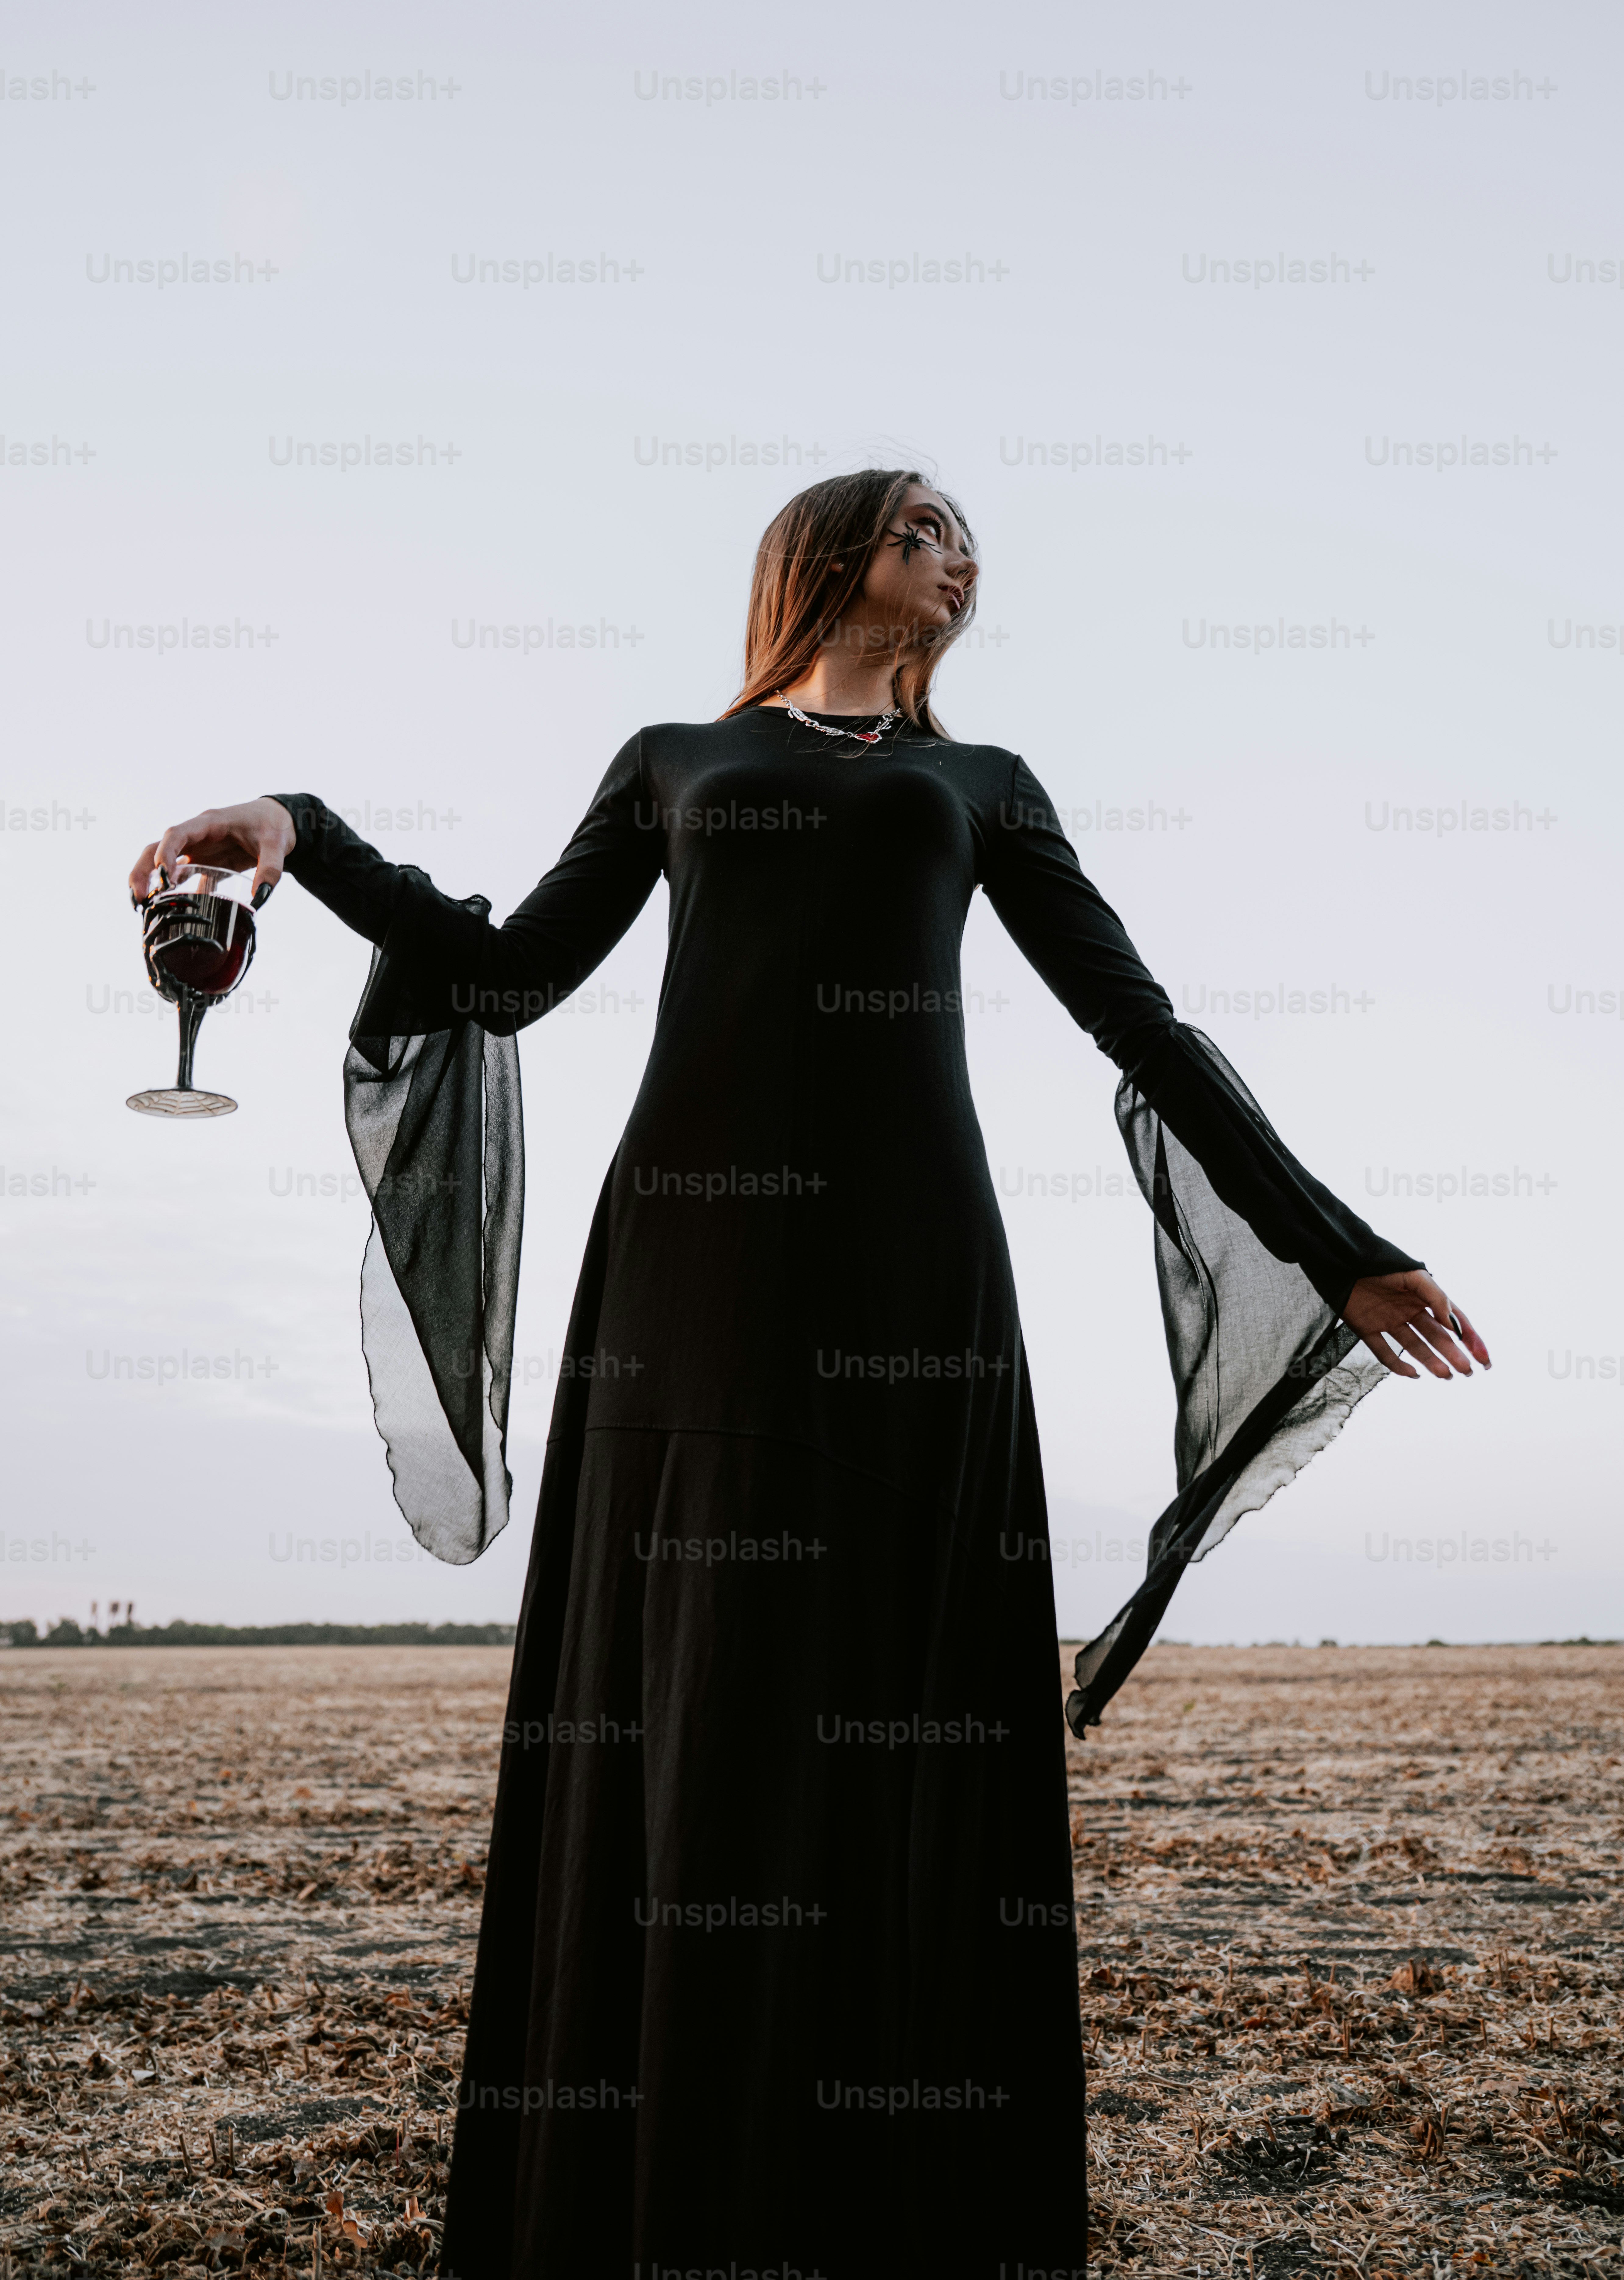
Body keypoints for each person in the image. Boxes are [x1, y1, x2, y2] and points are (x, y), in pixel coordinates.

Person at [130, 468, 1487, 2279]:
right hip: (690, 1266)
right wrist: (299, 826)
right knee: (693, 1685)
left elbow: (1137, 1022)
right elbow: (505, 973)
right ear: (835, 555)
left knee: (894, 1701)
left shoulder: (980, 786)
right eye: (927, 525)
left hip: (916, 1269)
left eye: (971, 539)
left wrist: (1337, 1244)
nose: (963, 553)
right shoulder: (674, 759)